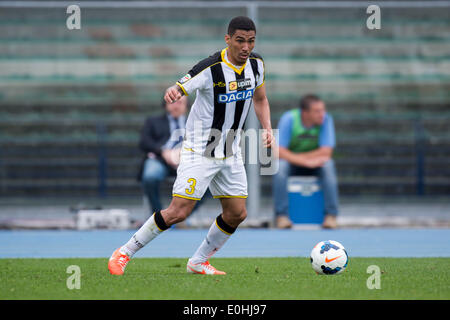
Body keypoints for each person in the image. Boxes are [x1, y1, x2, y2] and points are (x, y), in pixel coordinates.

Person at [109, 16, 274, 275]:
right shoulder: (210, 67)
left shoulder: (257, 64)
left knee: (236, 213)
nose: (246, 47)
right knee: (178, 211)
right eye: (240, 40)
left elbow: (261, 98)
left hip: (230, 148)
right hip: (201, 149)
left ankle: (198, 262)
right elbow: (180, 86)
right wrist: (173, 91)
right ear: (228, 39)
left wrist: (266, 128)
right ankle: (123, 252)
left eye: (251, 41)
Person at [273, 94, 339, 229]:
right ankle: (282, 216)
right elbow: (278, 151)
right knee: (279, 167)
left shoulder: (326, 119)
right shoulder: (289, 119)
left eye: (323, 110)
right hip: (292, 163)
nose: (322, 114)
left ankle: (331, 216)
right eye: (317, 111)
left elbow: (326, 152)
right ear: (305, 113)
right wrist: (305, 161)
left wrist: (303, 159)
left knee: (328, 165)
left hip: (314, 163)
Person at [137, 96, 188, 215]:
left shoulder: (195, 122)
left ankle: (181, 216)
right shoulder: (153, 121)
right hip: (160, 160)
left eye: (180, 103)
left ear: (186, 107)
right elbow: (144, 142)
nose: (176, 105)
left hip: (187, 163)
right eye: (173, 102)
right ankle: (159, 216)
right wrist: (163, 152)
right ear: (166, 105)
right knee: (150, 176)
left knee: (210, 180)